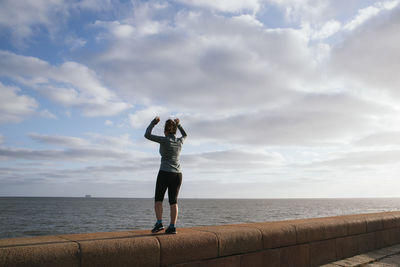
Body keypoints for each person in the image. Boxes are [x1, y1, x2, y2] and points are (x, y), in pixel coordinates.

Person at [144, 116, 187, 234]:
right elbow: (185, 135)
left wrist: (153, 122)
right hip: (178, 174)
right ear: (175, 130)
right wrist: (179, 125)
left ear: (166, 131)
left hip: (165, 172)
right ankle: (172, 226)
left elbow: (147, 135)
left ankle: (159, 224)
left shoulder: (164, 140)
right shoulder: (179, 141)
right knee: (173, 201)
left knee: (158, 199)